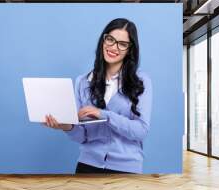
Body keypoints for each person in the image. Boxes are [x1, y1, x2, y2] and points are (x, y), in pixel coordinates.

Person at [44, 18, 152, 174]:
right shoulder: (82, 81)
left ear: (130, 49)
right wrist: (66, 126)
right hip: (87, 165)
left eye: (122, 44)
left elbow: (141, 130)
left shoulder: (141, 81)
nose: (113, 47)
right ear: (103, 39)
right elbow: (82, 137)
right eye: (110, 39)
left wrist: (103, 115)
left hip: (126, 168)